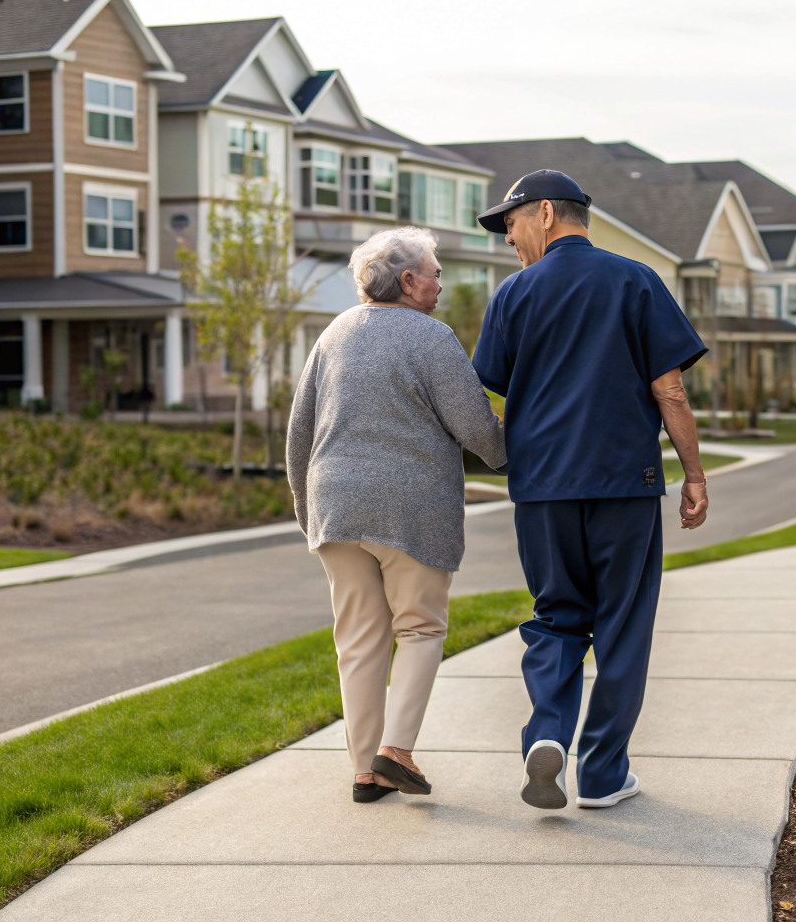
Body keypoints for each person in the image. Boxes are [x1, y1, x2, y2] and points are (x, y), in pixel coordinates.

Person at [473, 170, 709, 811]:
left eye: (512, 224)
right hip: (623, 487)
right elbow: (671, 391)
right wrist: (692, 473)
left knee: (556, 617)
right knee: (623, 627)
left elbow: (484, 398)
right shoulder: (637, 280)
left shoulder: (513, 295)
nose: (508, 240)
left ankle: (547, 733)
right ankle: (602, 775)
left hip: (543, 490)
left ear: (546, 213)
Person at [286, 226, 506, 804]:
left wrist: (307, 510)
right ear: (408, 282)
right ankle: (397, 750)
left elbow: (298, 432)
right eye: (434, 271)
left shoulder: (332, 334)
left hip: (335, 506)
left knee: (358, 640)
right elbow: (478, 429)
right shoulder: (432, 338)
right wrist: (509, 452)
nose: (440, 281)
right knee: (420, 626)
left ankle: (366, 771)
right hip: (412, 509)